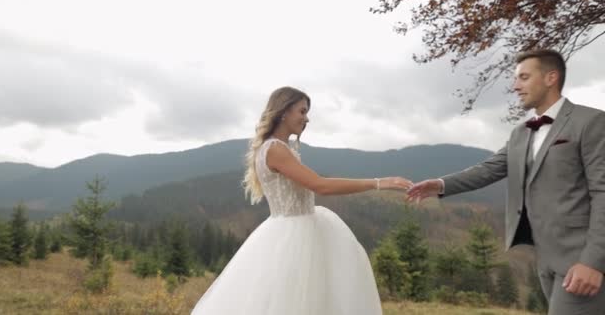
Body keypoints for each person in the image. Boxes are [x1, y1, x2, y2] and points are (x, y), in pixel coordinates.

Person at [407, 49, 605, 314]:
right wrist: (441, 185)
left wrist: (593, 262)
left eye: (523, 77)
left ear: (551, 78)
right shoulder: (520, 132)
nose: (515, 86)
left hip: (581, 260)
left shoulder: (591, 122)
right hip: (545, 259)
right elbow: (489, 169)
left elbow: (603, 193)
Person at [191, 86, 413, 314]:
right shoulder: (276, 149)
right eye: (302, 111)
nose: (307, 118)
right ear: (284, 111)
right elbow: (320, 185)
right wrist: (378, 182)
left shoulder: (275, 148)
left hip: (293, 229)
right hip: (294, 234)